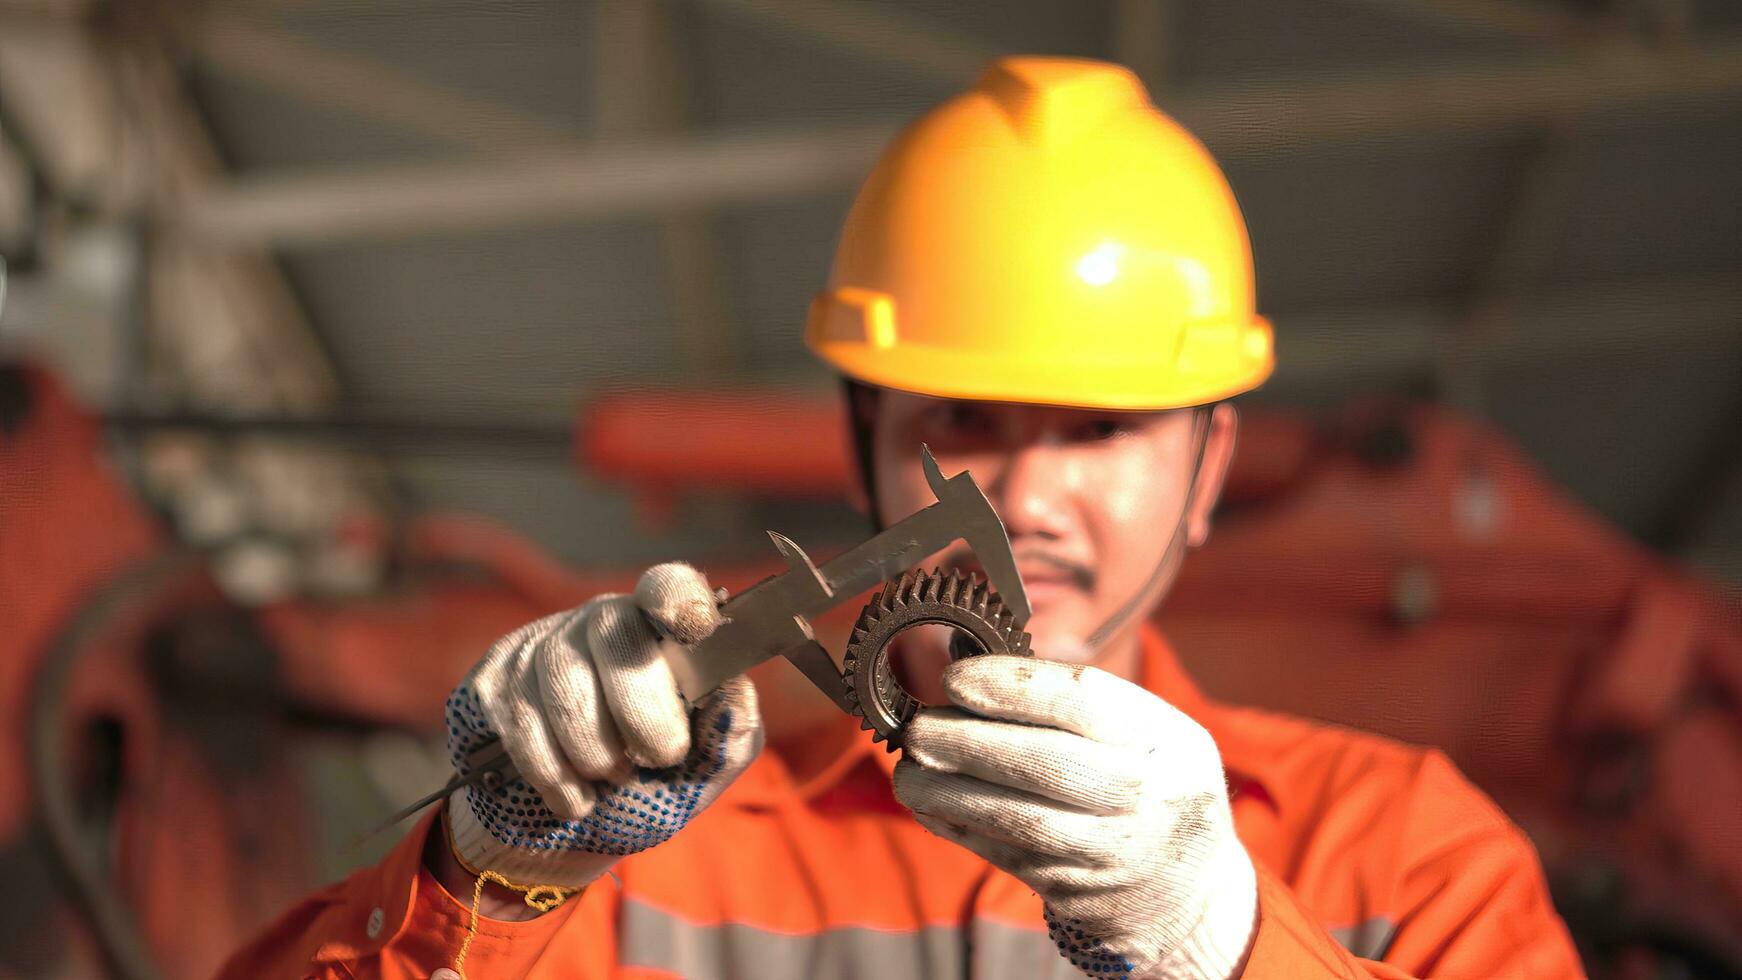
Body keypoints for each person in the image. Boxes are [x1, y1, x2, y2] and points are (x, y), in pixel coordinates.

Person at [220, 56, 1583, 979]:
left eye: (1102, 432)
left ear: (1210, 468)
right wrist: (489, 865)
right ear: (859, 438)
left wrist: (1222, 939)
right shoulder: (649, 878)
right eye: (961, 424)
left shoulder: (1414, 853)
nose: (1029, 498)